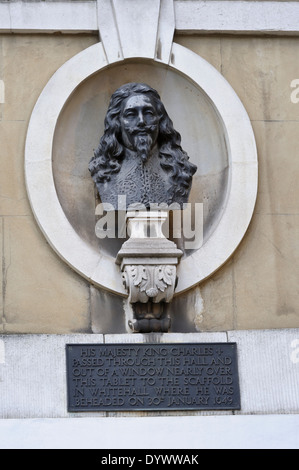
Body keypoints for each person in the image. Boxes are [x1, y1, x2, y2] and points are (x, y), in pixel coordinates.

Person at [89, 82, 197, 209]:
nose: (141, 121)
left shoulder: (180, 170)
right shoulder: (103, 172)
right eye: (131, 114)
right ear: (117, 122)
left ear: (160, 119)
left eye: (148, 113)